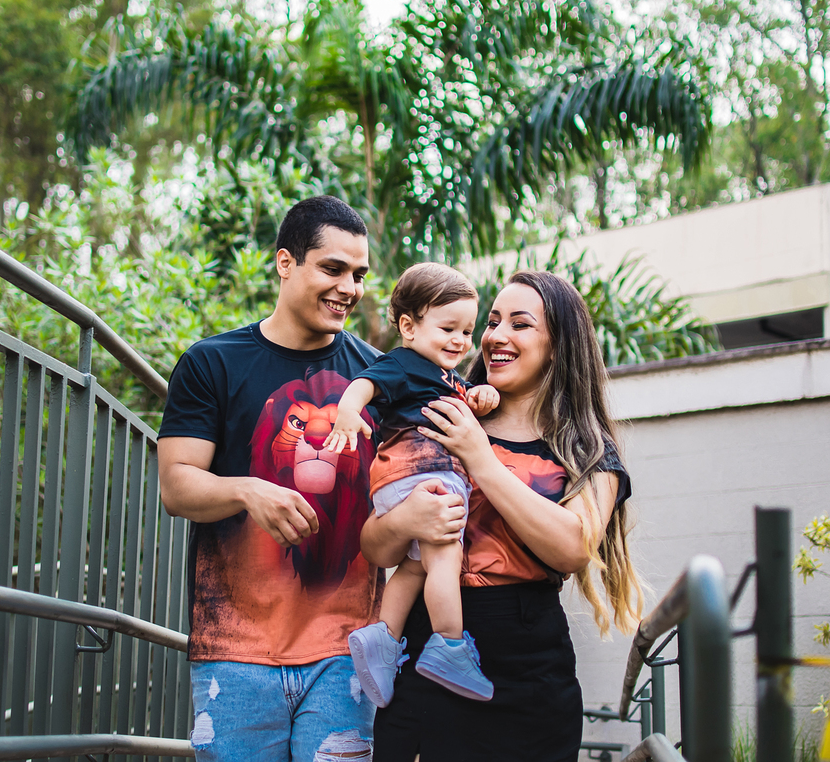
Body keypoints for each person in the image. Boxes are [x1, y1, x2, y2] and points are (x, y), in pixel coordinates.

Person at [157, 196, 465, 762]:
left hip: (347, 654)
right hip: (235, 653)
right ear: (285, 262)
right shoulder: (211, 363)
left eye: (359, 275)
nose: (349, 288)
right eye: (332, 268)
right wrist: (247, 489)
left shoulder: (383, 375)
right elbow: (176, 486)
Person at [363, 270, 644, 761]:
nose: (496, 336)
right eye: (492, 322)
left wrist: (481, 459)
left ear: (558, 346)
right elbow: (376, 547)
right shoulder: (440, 410)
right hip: (427, 654)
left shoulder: (586, 449)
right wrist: (407, 520)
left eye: (520, 323)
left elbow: (573, 547)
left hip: (526, 669)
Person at [323, 263, 500, 708]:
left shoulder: (443, 376)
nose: (460, 340)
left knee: (416, 566)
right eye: (448, 329)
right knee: (445, 557)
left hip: (404, 478)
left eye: (467, 331)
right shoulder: (404, 364)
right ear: (408, 326)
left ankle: (383, 637)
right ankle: (450, 645)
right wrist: (348, 411)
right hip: (425, 471)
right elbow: (365, 383)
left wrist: (481, 396)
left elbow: (464, 401)